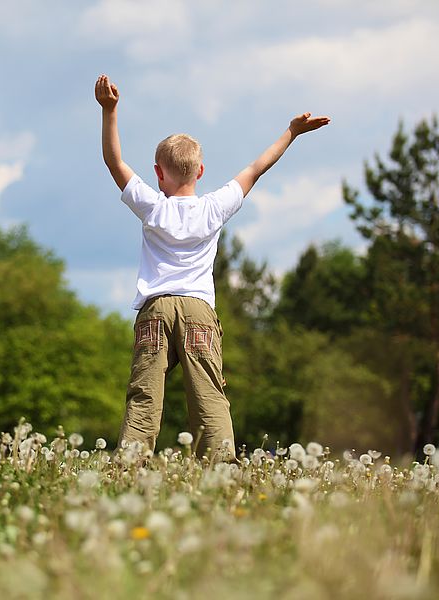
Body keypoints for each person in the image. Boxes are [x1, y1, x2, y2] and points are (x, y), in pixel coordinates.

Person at [94, 73, 330, 458]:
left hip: (155, 310)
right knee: (208, 396)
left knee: (144, 396)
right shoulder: (215, 207)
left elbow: (113, 160)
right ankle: (220, 469)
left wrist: (110, 110)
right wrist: (291, 132)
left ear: (157, 172)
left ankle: (129, 467)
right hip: (198, 311)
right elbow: (257, 168)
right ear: (200, 172)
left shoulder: (153, 206)